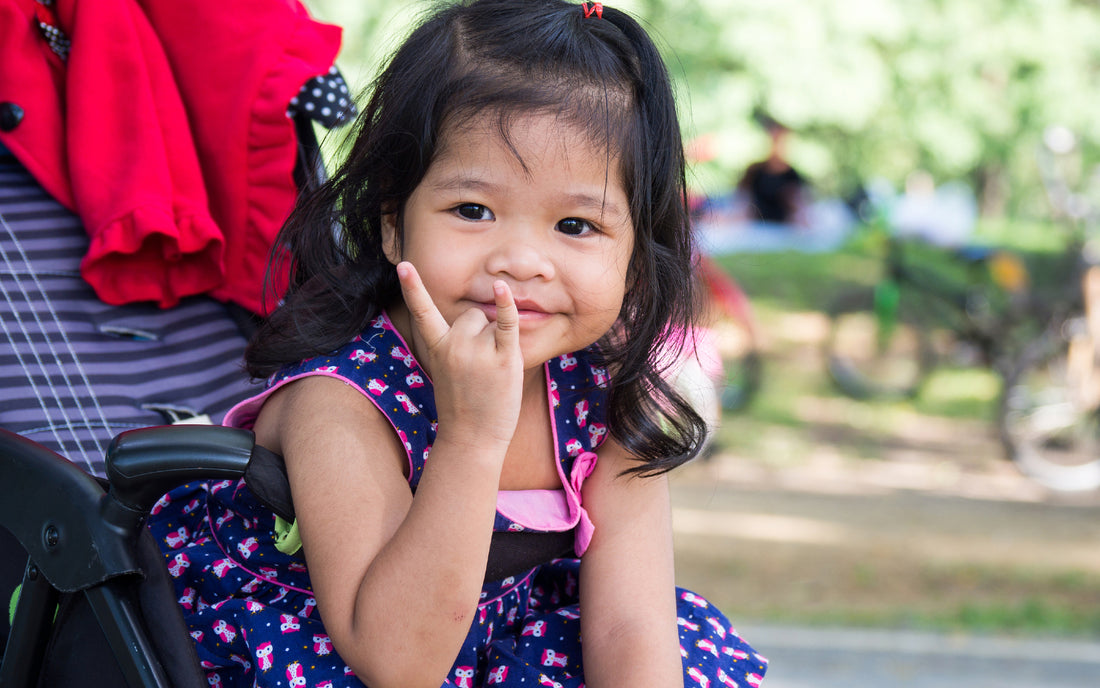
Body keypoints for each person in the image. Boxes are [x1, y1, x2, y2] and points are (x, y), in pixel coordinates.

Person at [147, 1, 768, 686]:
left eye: (575, 225)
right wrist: (472, 436)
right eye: (473, 211)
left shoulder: (604, 396)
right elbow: (396, 660)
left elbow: (630, 629)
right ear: (392, 224)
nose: (521, 260)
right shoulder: (342, 403)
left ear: (634, 254)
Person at [736, 117, 809, 226]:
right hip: (755, 227)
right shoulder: (754, 171)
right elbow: (741, 202)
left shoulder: (792, 176)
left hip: (783, 228)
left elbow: (800, 208)